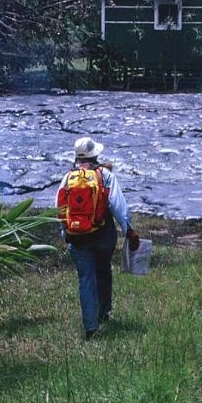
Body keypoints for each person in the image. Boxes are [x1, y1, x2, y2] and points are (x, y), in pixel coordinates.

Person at [57, 136, 139, 340]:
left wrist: (65, 233)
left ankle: (90, 328)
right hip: (103, 235)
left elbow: (60, 208)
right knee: (103, 269)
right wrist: (129, 230)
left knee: (85, 278)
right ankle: (104, 312)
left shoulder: (68, 178)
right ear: (96, 155)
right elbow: (118, 206)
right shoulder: (105, 175)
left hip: (76, 237)